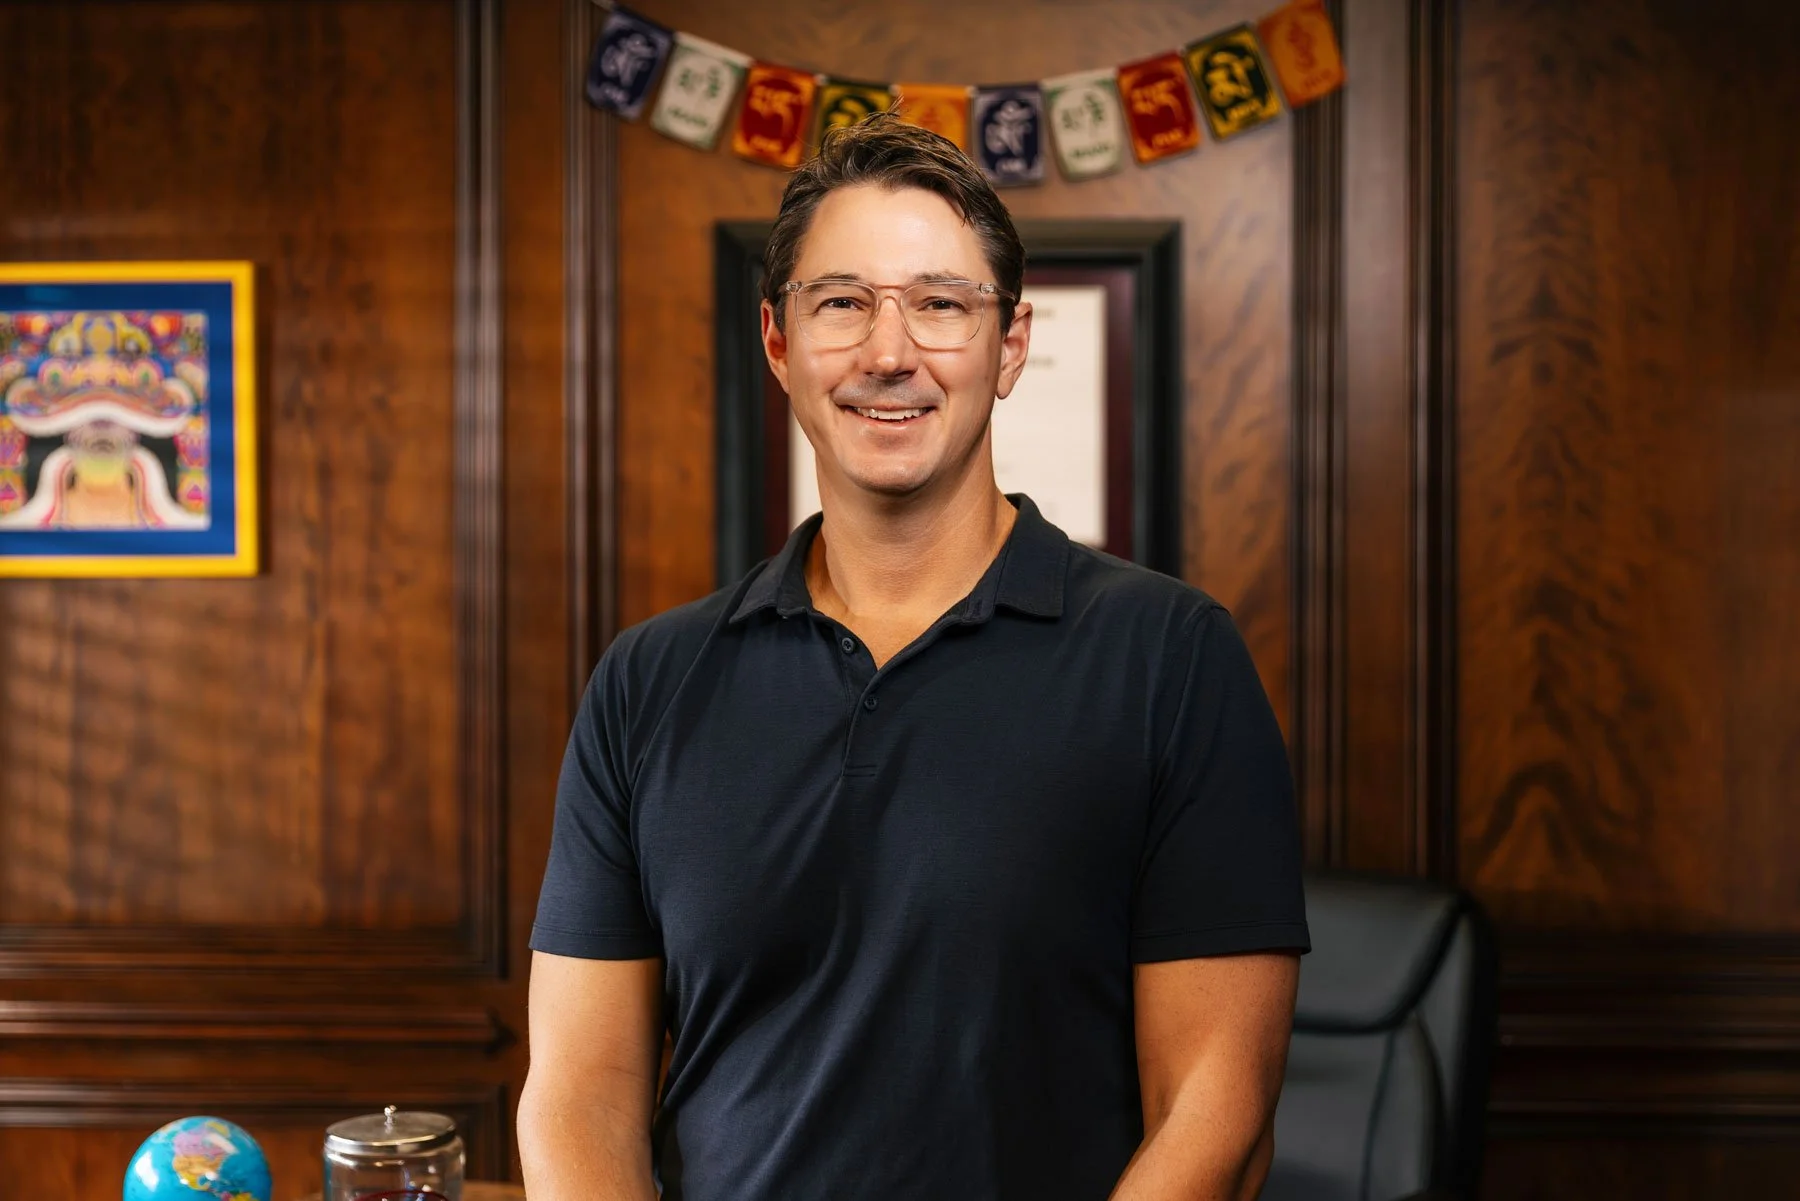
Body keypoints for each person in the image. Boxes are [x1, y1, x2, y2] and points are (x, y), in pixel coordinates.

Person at [518, 113, 1308, 1201]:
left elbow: (1214, 1108)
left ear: (1010, 345)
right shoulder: (645, 682)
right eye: (842, 302)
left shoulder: (1171, 660)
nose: (889, 353)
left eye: (940, 304)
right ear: (778, 342)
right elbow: (579, 1095)